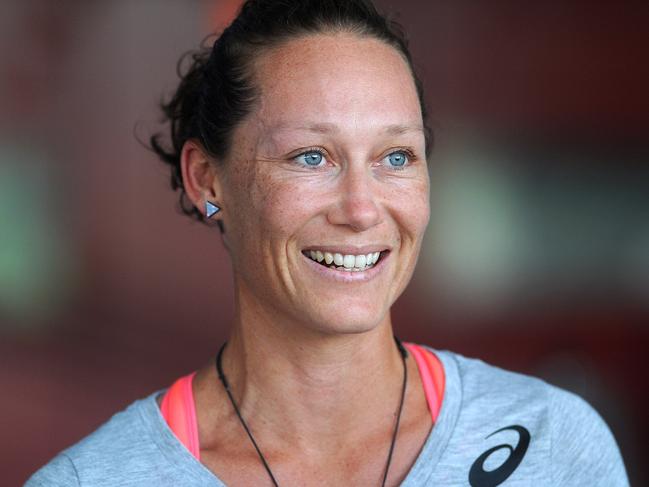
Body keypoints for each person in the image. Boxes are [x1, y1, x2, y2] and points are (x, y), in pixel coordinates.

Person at [26, 1, 629, 486]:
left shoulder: (552, 444)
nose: (362, 209)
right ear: (207, 180)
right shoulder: (94, 478)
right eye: (310, 157)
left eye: (396, 157)